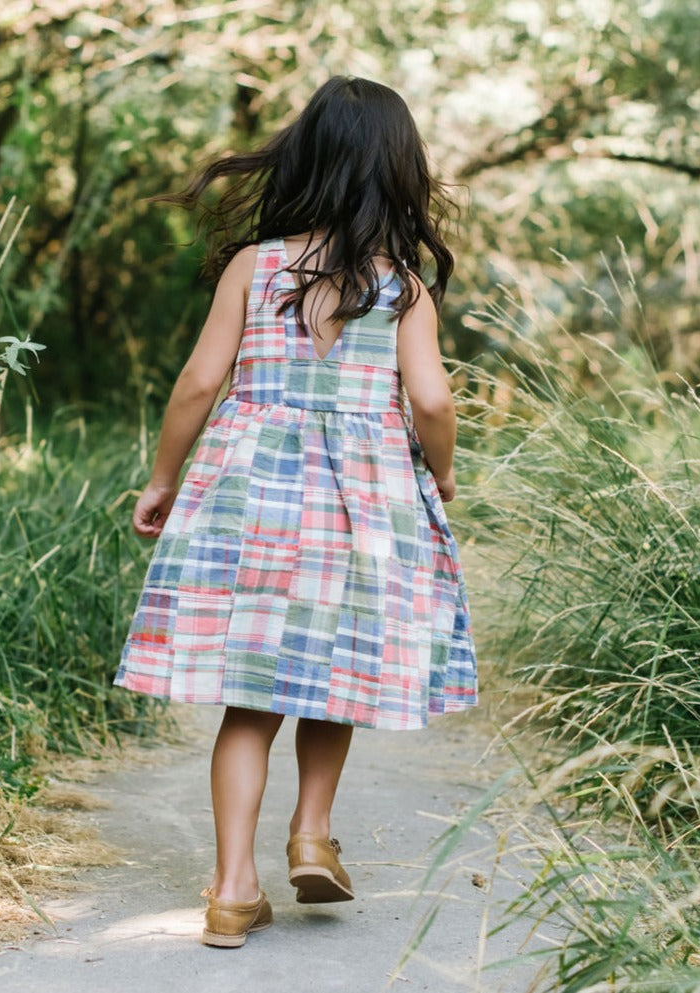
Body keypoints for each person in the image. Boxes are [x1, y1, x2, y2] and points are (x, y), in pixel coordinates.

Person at [114, 75, 478, 949]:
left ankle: (233, 889)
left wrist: (163, 478)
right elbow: (430, 399)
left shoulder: (256, 264)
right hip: (362, 499)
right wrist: (442, 472)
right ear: (398, 173)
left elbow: (200, 382)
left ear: (304, 160)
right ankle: (311, 830)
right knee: (333, 673)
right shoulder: (403, 290)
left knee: (249, 700)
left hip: (251, 497)